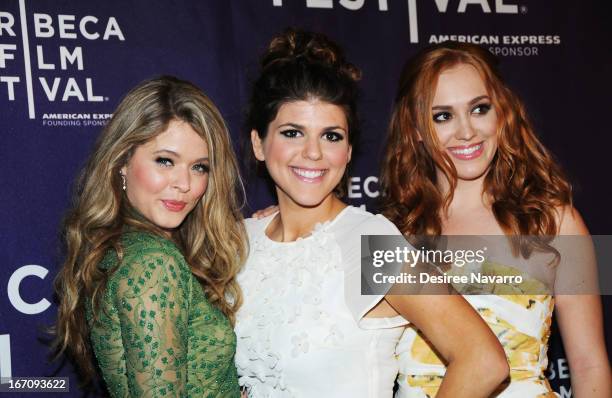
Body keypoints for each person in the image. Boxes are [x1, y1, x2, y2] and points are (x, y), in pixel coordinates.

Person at [235, 28, 509, 397]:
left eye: (331, 135)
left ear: (348, 152)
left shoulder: (369, 243)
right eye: (292, 133)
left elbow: (483, 360)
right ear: (259, 143)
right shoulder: (241, 240)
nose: (313, 153)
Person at [381, 42, 611, 397]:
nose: (466, 131)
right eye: (443, 116)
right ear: (414, 128)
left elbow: (590, 365)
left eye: (479, 109)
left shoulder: (556, 221)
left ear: (502, 112)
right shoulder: (391, 233)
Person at [52, 76, 248, 397]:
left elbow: (365, 331)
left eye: (200, 167)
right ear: (122, 162)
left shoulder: (363, 230)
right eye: (165, 161)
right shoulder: (152, 260)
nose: (184, 183)